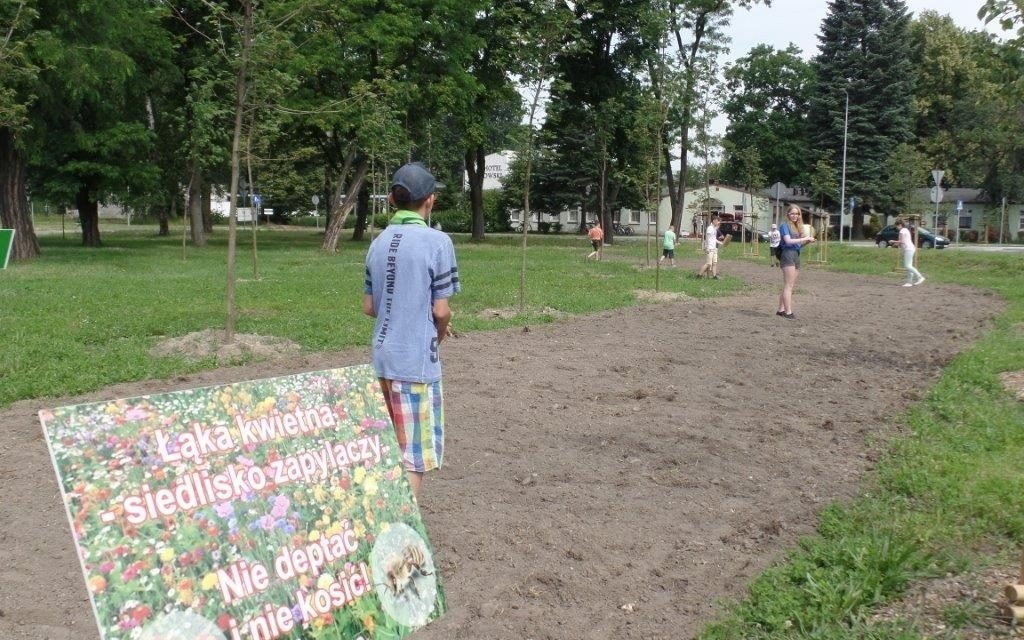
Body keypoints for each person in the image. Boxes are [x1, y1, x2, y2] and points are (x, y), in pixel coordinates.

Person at [363, 162, 460, 500]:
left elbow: (370, 307)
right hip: (415, 363)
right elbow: (440, 310)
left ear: (392, 199)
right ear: (430, 200)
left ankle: (382, 514)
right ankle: (403, 525)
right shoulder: (438, 242)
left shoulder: (377, 243)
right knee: (412, 456)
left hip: (381, 358)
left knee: (387, 448)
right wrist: (440, 332)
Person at [776, 205, 814, 319]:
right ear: (788, 214)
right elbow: (788, 241)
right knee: (788, 285)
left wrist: (807, 242)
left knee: (790, 285)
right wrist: (805, 238)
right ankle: (788, 312)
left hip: (796, 255)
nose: (795, 216)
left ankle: (780, 310)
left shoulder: (797, 227)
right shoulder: (784, 226)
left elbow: (798, 245)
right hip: (787, 255)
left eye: (797, 214)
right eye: (792, 213)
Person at [893, 218, 925, 287]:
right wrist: (896, 243)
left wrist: (893, 241)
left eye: (896, 226)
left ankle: (920, 277)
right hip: (910, 248)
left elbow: (902, 241)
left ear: (900, 225)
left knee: (907, 266)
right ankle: (909, 282)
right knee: (909, 266)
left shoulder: (902, 231)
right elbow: (903, 241)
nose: (896, 227)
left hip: (908, 249)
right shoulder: (906, 230)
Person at [697, 214, 723, 279]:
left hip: (714, 248)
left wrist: (721, 243)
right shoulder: (710, 228)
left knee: (714, 263)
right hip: (710, 248)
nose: (718, 222)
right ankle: (699, 275)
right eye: (717, 221)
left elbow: (714, 239)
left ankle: (714, 276)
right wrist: (707, 247)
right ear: (714, 221)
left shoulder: (714, 229)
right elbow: (708, 238)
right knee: (708, 264)